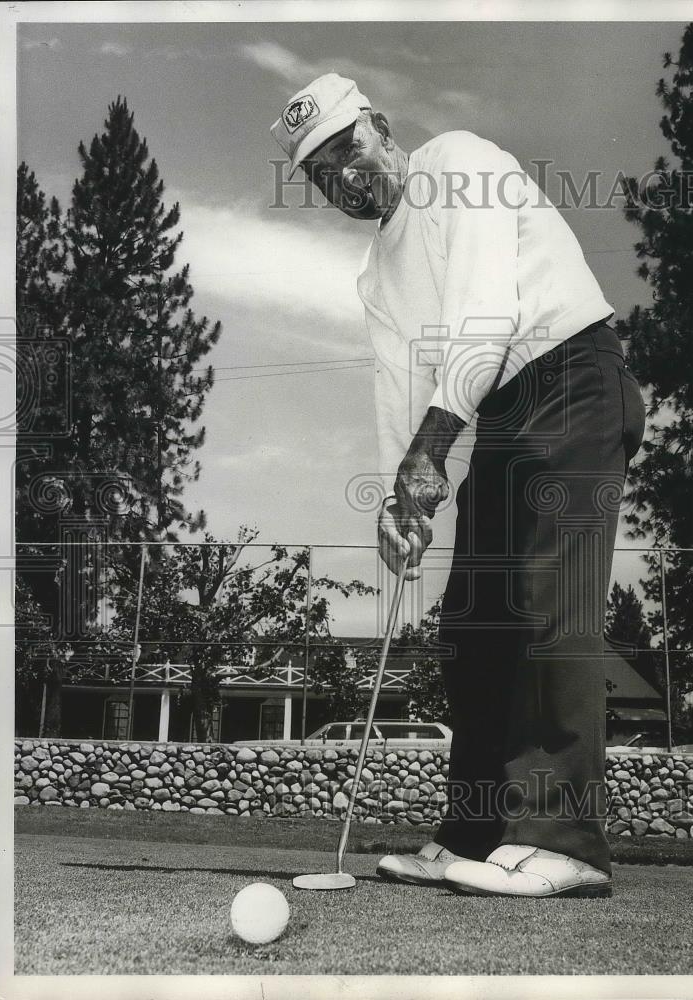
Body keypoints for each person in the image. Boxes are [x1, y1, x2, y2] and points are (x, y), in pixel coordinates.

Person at [271, 74, 646, 897]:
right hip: (500, 410)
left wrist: (430, 453)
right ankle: (475, 833)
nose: (339, 174)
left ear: (382, 127)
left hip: (574, 376)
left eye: (346, 148)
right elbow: (401, 392)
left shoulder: (455, 163)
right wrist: (397, 502)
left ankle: (564, 840)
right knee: (472, 621)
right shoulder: (377, 274)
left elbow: (486, 312)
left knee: (549, 605)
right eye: (318, 170)